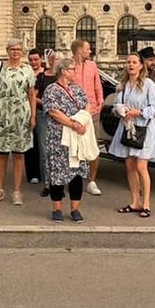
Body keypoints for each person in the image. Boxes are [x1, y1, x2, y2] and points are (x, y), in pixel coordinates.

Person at [108, 52, 155, 218]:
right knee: (130, 166)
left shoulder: (148, 84)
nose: (130, 65)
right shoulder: (123, 85)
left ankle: (146, 203)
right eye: (128, 62)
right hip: (127, 127)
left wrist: (139, 112)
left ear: (140, 65)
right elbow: (116, 105)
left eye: (134, 62)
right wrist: (119, 110)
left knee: (141, 166)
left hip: (144, 128)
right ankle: (134, 202)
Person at [0, 38, 36, 206]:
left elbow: (31, 94)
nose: (15, 52)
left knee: (18, 154)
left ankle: (16, 191)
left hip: (21, 115)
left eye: (18, 49)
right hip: (2, 114)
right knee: (1, 153)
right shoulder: (0, 67)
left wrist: (33, 116)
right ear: (7, 50)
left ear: (22, 52)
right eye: (12, 49)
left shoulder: (27, 69)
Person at [42, 57, 93, 222]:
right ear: (63, 71)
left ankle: (75, 209)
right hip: (59, 138)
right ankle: (57, 208)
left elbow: (87, 105)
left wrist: (82, 120)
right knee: (58, 171)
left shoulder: (77, 89)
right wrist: (72, 123)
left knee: (76, 172)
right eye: (72, 69)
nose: (75, 72)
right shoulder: (51, 90)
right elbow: (53, 112)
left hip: (78, 137)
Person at [70, 39, 104, 196]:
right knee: (73, 147)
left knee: (93, 147)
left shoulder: (92, 65)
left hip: (92, 112)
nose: (90, 51)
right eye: (87, 49)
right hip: (74, 113)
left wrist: (100, 103)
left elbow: (98, 86)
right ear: (79, 51)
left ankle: (92, 181)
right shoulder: (69, 66)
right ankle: (71, 177)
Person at [32, 50, 57, 197]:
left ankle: (58, 182)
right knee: (44, 150)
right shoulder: (41, 77)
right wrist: (47, 105)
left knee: (59, 150)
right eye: (55, 59)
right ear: (50, 61)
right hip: (43, 115)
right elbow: (33, 97)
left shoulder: (64, 77)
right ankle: (48, 183)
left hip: (61, 117)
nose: (57, 62)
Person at [24, 49, 46, 185]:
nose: (33, 62)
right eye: (31, 60)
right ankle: (33, 173)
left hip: (43, 113)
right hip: (28, 111)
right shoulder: (26, 73)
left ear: (41, 59)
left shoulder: (47, 73)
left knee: (43, 144)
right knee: (30, 144)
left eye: (36, 59)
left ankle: (44, 173)